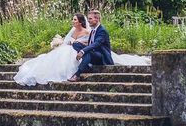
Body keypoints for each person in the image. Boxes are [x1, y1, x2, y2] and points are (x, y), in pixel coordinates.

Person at [13, 11, 149, 86]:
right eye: (88, 19)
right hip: (92, 52)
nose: (89, 21)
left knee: (86, 52)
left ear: (97, 19)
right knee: (79, 47)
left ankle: (77, 74)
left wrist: (83, 50)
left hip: (102, 56)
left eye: (91, 19)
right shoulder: (93, 30)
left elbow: (96, 44)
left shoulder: (102, 31)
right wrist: (80, 47)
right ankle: (82, 69)